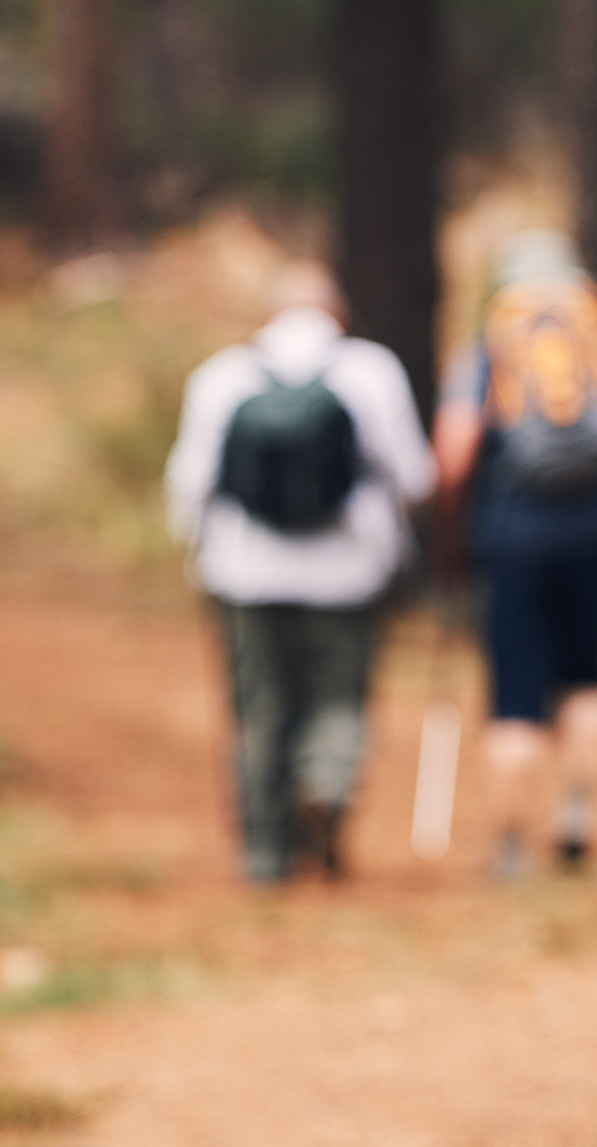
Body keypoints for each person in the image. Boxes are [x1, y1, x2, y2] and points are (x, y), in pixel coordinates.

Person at [165, 260, 435, 884]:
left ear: (267, 315)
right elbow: (415, 478)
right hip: (349, 574)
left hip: (243, 574)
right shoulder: (371, 370)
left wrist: (200, 556)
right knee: (340, 696)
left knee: (259, 709)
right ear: (336, 315)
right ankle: (326, 786)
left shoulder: (222, 377)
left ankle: (264, 854)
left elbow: (189, 484)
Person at [434, 232, 597, 880]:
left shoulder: (489, 344)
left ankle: (512, 845)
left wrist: (452, 529)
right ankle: (577, 816)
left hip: (513, 538)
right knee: (588, 678)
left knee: (516, 695)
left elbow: (454, 452)